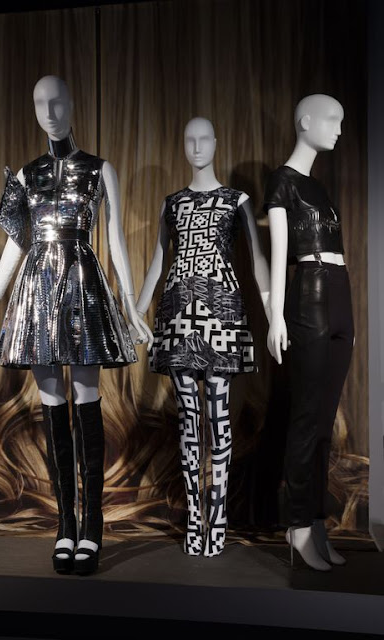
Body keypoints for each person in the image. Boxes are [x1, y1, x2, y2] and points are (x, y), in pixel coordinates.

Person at [0, 75, 151, 575]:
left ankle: (93, 528)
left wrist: (131, 305)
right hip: (37, 293)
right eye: (40, 104)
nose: (49, 112)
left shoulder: (99, 169)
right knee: (52, 407)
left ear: (72, 104)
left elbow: (115, 239)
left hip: (82, 287)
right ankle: (65, 527)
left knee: (86, 402)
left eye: (57, 102)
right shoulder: (27, 176)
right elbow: (17, 244)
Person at [135, 117, 270, 557]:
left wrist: (274, 313)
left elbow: (258, 261)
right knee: (189, 423)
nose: (196, 147)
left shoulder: (236, 201)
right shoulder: (172, 203)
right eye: (189, 139)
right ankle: (196, 518)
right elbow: (158, 263)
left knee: (219, 418)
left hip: (223, 314)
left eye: (203, 139)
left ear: (215, 142)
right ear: (183, 144)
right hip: (177, 313)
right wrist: (136, 312)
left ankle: (219, 519)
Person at [264, 94, 354, 571]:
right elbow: (280, 254)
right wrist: (276, 316)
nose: (338, 129)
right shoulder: (284, 181)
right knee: (304, 420)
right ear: (305, 122)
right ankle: (297, 527)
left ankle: (317, 524)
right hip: (310, 292)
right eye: (331, 119)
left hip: (340, 292)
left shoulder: (318, 186)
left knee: (324, 423)